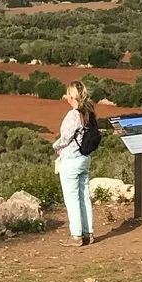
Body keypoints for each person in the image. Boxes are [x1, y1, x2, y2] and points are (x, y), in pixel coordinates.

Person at [52, 81, 97, 245]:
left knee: (72, 199)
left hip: (71, 160)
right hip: (85, 158)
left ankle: (76, 235)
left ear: (71, 96)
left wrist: (55, 146)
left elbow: (66, 137)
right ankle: (88, 233)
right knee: (84, 197)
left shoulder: (73, 115)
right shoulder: (89, 111)